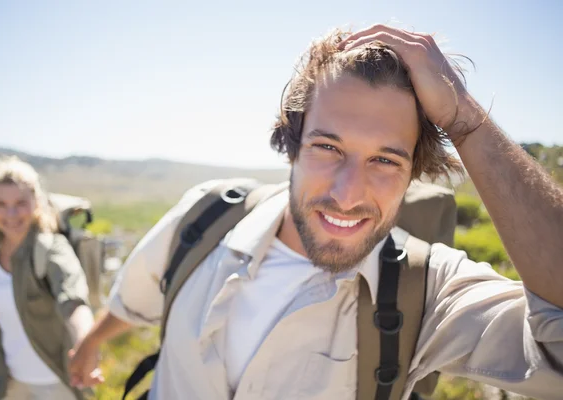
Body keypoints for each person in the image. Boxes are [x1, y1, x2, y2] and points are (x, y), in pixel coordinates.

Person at [69, 25, 563, 399]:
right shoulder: (207, 215)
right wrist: (90, 345)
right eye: (328, 148)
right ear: (292, 144)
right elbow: (133, 300)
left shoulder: (425, 289)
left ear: (414, 172)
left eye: (385, 160)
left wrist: (467, 124)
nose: (348, 195)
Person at [0, 156, 97, 400]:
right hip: (7, 384)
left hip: (58, 383)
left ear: (36, 202)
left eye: (20, 203)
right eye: (0, 203)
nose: (11, 213)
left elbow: (74, 300)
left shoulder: (50, 248)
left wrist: (85, 346)